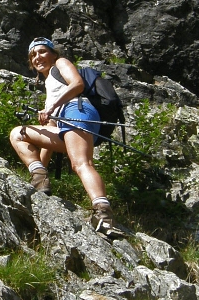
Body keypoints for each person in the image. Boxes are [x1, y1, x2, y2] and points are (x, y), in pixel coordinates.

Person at [9, 37, 119, 237]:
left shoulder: (60, 64)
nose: (37, 57)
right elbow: (49, 131)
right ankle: (39, 177)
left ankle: (103, 214)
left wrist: (50, 107)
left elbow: (77, 84)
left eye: (42, 51)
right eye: (33, 55)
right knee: (19, 133)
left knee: (81, 163)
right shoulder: (50, 84)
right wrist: (41, 176)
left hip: (77, 110)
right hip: (65, 122)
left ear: (53, 54)